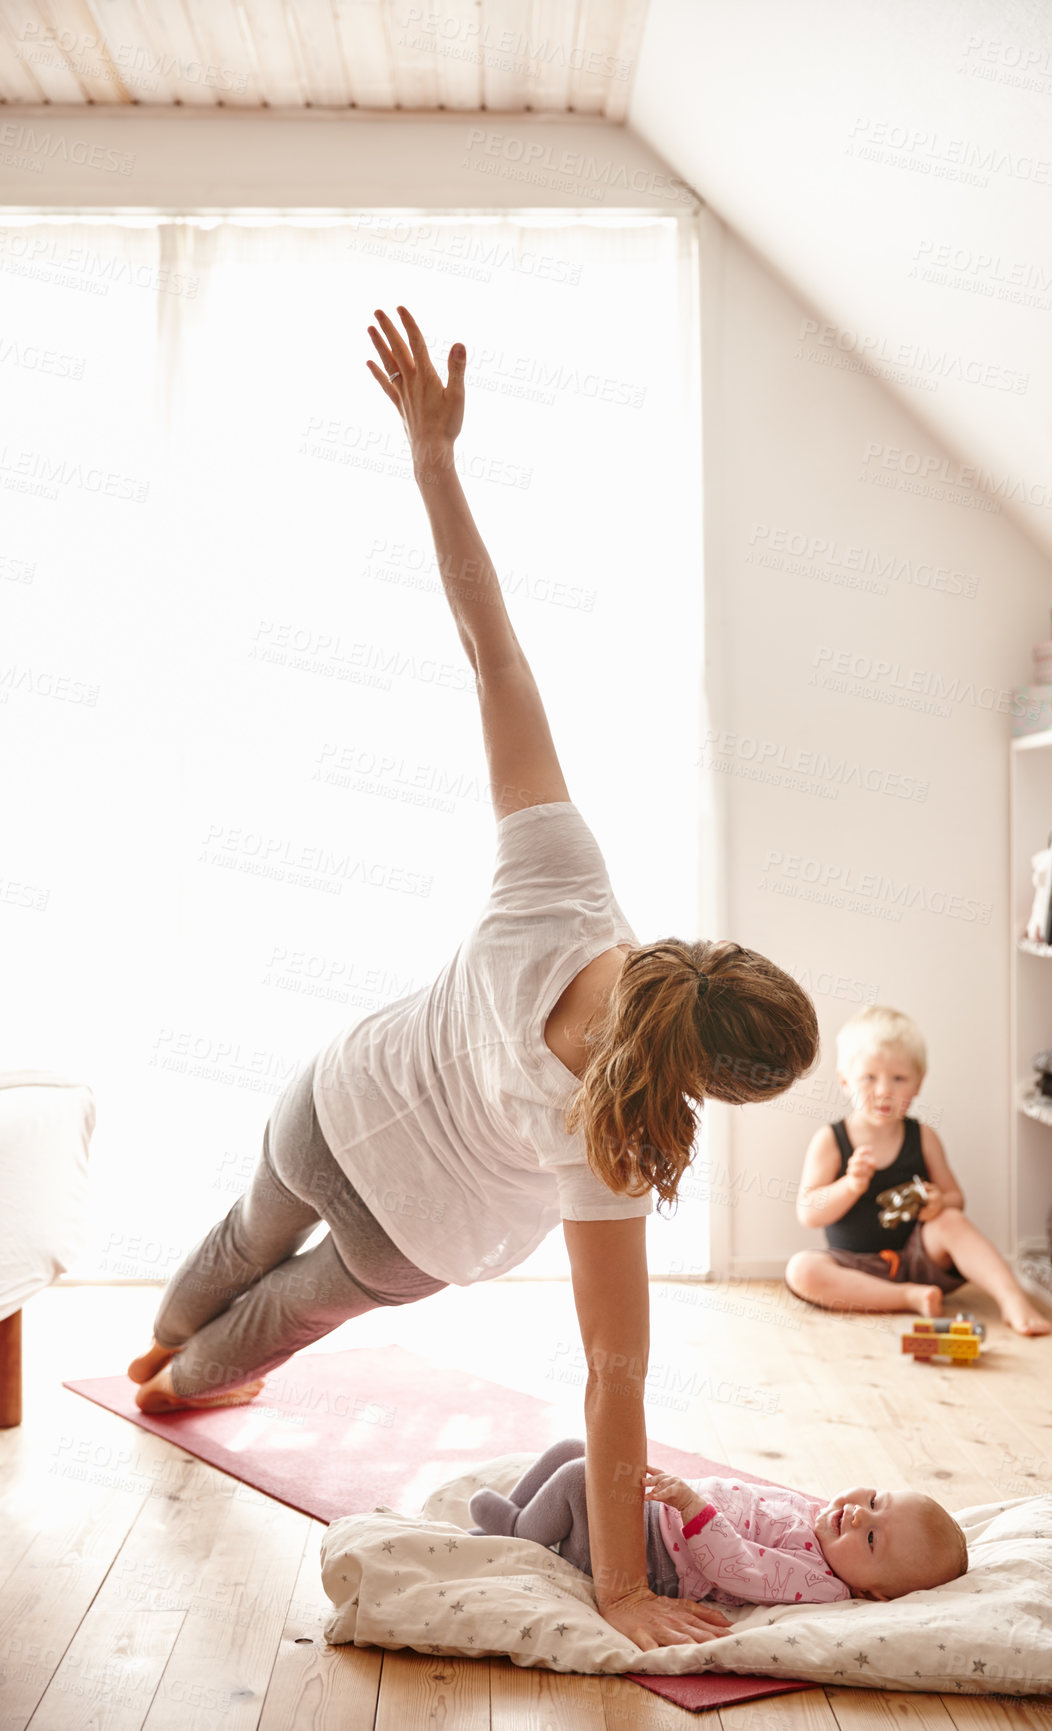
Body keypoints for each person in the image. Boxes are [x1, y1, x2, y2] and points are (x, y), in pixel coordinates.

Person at [125, 305, 821, 1652]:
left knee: (237, 1234)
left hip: (326, 1101)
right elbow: (613, 1373)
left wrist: (432, 454)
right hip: (412, 1232)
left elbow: (491, 648)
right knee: (273, 1317)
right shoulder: (612, 1138)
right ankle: (184, 1380)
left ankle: (158, 1335)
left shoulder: (562, 878)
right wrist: (620, 1587)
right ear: (703, 1083)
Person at [785, 1005, 1051, 1335]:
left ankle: (1012, 1298)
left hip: (917, 1259)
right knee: (803, 1270)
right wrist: (850, 1186)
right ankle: (908, 1297)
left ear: (918, 1084)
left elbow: (955, 1199)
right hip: (852, 1266)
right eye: (869, 1078)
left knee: (952, 1222)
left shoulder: (923, 1137)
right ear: (844, 1082)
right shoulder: (831, 1139)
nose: (884, 1091)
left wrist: (940, 1202)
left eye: (899, 1079)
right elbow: (809, 1212)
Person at [467, 1438, 967, 1604]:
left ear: (873, 1592)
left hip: (644, 1561)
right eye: (876, 1499)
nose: (859, 1513)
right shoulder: (820, 1518)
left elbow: (740, 1569)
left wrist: (688, 1505)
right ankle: (517, 1520)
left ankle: (515, 1536)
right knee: (580, 1449)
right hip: (651, 1520)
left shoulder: (819, 1582)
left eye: (873, 1536)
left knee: (580, 1480)